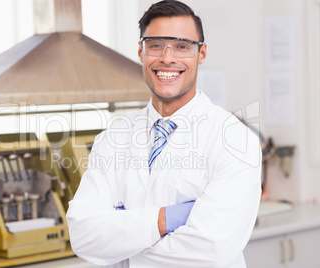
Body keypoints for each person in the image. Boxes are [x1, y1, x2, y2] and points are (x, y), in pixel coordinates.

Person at [66, 0, 261, 267]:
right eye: (155, 45)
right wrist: (167, 219)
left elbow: (211, 250)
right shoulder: (113, 139)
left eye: (182, 46)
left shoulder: (235, 140)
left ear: (201, 54)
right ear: (141, 51)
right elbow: (83, 235)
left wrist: (122, 238)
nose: (167, 58)